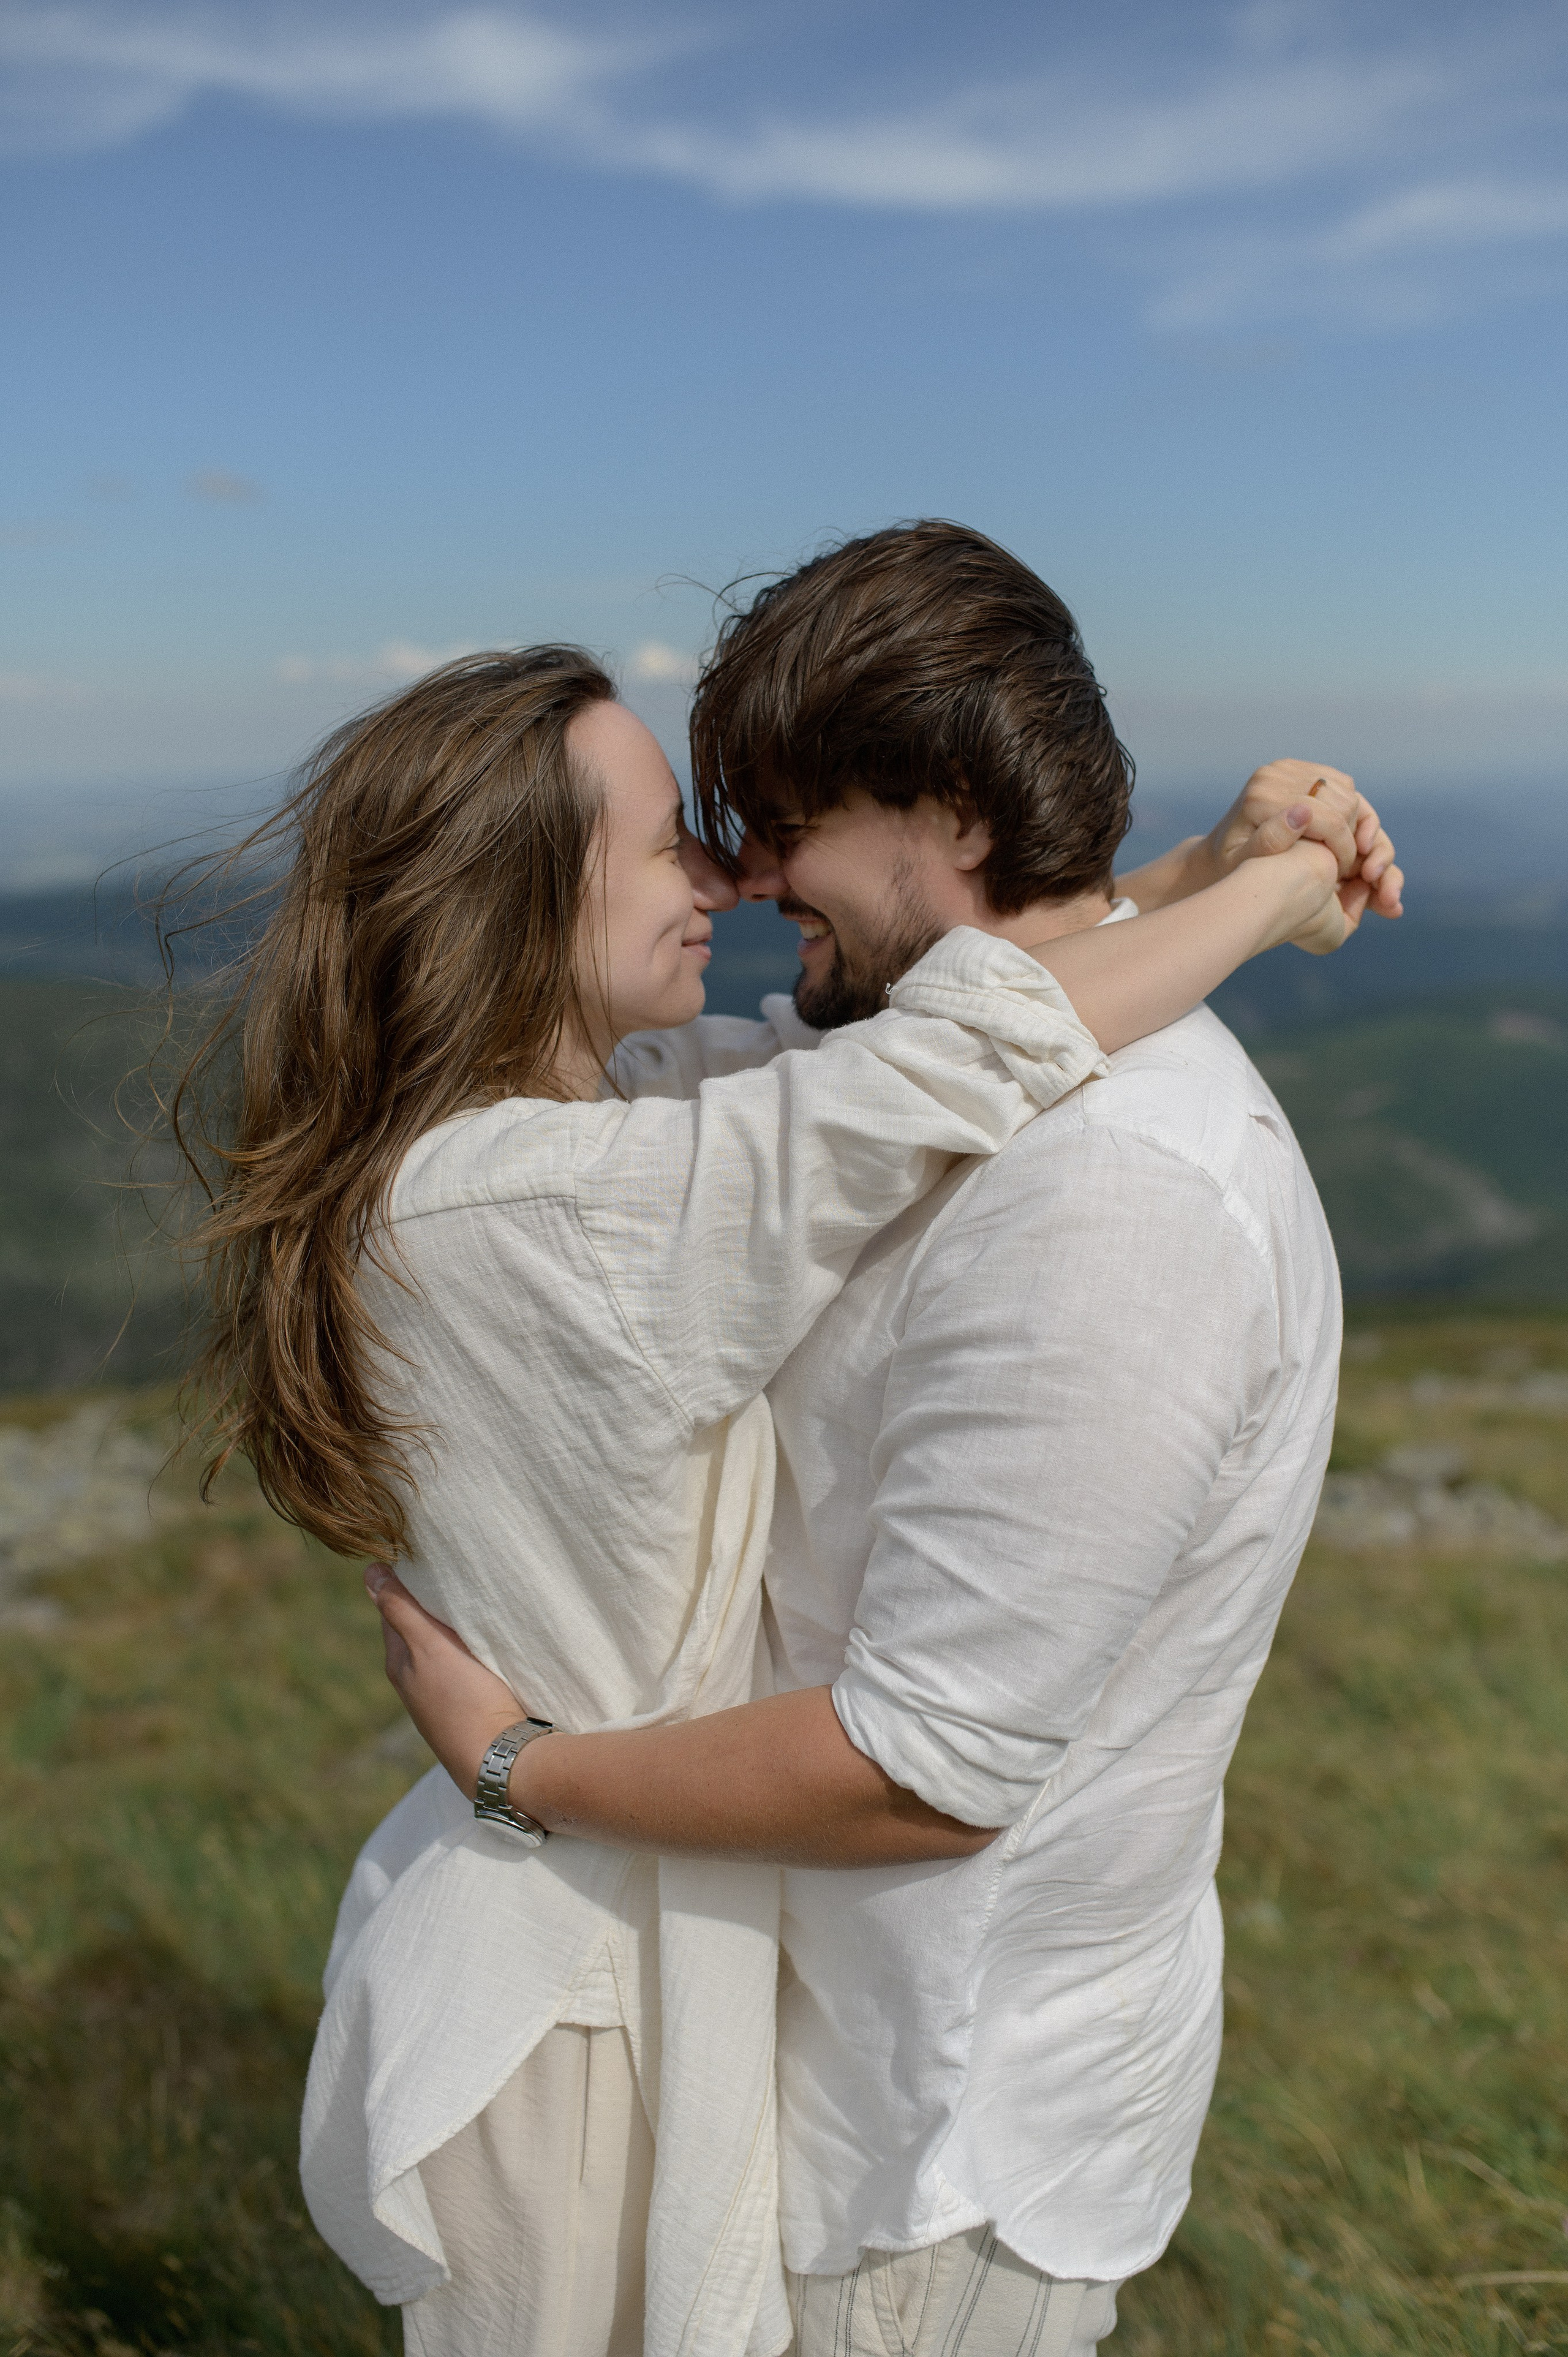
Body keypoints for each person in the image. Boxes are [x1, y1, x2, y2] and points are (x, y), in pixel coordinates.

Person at [366, 523, 1403, 2357]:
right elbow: (934, 1054)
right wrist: (1236, 876)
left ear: (949, 811)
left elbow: (923, 1772)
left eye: (778, 825)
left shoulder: (1118, 1208)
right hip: (824, 2069)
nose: (751, 883)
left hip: (932, 2154)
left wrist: (522, 1767)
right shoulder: (894, 1070)